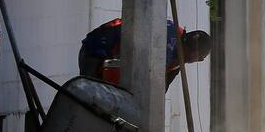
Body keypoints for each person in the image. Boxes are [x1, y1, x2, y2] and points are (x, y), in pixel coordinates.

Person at [79, 19, 211, 90]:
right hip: (99, 49)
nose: (193, 60)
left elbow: (159, 93)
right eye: (199, 58)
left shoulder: (176, 61)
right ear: (195, 54)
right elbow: (145, 80)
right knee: (90, 97)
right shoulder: (165, 41)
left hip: (115, 62)